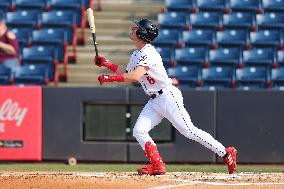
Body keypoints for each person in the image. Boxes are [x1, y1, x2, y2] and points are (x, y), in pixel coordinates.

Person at [94, 18, 237, 175]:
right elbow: (126, 71)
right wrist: (106, 63)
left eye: (136, 28)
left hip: (168, 96)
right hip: (154, 100)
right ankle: (157, 165)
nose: (133, 29)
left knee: (189, 131)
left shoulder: (149, 53)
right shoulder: (137, 54)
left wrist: (110, 78)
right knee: (139, 131)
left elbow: (135, 76)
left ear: (142, 34)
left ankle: (226, 152)